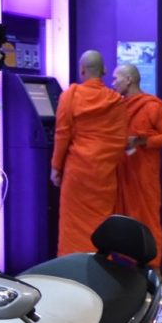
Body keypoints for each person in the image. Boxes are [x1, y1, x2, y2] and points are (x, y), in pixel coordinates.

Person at [51, 50, 128, 255]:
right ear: (104, 70)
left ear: (82, 70)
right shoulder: (116, 100)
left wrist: (56, 167)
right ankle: (100, 268)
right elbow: (121, 139)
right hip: (104, 172)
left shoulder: (71, 95)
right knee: (101, 220)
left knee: (73, 223)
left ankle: (72, 268)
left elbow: (62, 134)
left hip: (77, 170)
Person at [112, 63, 162, 271]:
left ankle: (153, 265)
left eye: (116, 79)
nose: (113, 84)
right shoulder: (116, 106)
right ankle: (126, 265)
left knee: (148, 217)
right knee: (123, 216)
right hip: (122, 170)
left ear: (128, 80)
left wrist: (140, 141)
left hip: (145, 171)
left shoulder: (152, 106)